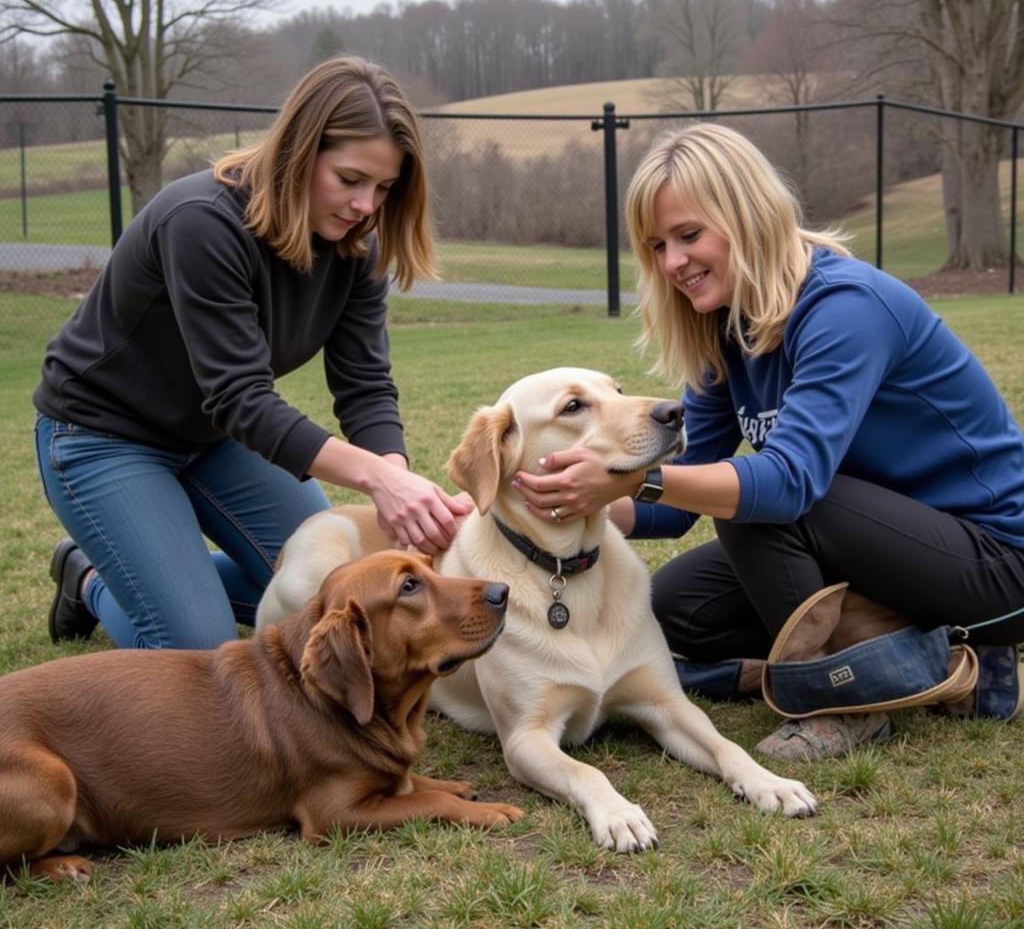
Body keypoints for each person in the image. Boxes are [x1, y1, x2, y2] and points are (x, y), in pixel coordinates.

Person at [512, 122, 1024, 760]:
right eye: (657, 245)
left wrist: (625, 477)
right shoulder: (726, 328)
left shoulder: (845, 306)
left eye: (689, 235)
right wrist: (559, 502)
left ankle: (848, 703)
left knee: (756, 506)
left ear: (748, 215)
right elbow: (677, 500)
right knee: (676, 607)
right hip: (870, 548)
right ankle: (921, 652)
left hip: (995, 562)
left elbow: (787, 485)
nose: (673, 263)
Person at [35, 55, 471, 650]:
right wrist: (377, 480)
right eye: (349, 179)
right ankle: (88, 578)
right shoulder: (202, 222)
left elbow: (364, 383)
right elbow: (240, 397)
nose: (367, 205)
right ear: (299, 150)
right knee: (196, 640)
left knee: (333, 589)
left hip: (213, 439)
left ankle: (170, 581)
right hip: (102, 437)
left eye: (384, 187)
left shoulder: (355, 246)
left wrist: (395, 486)